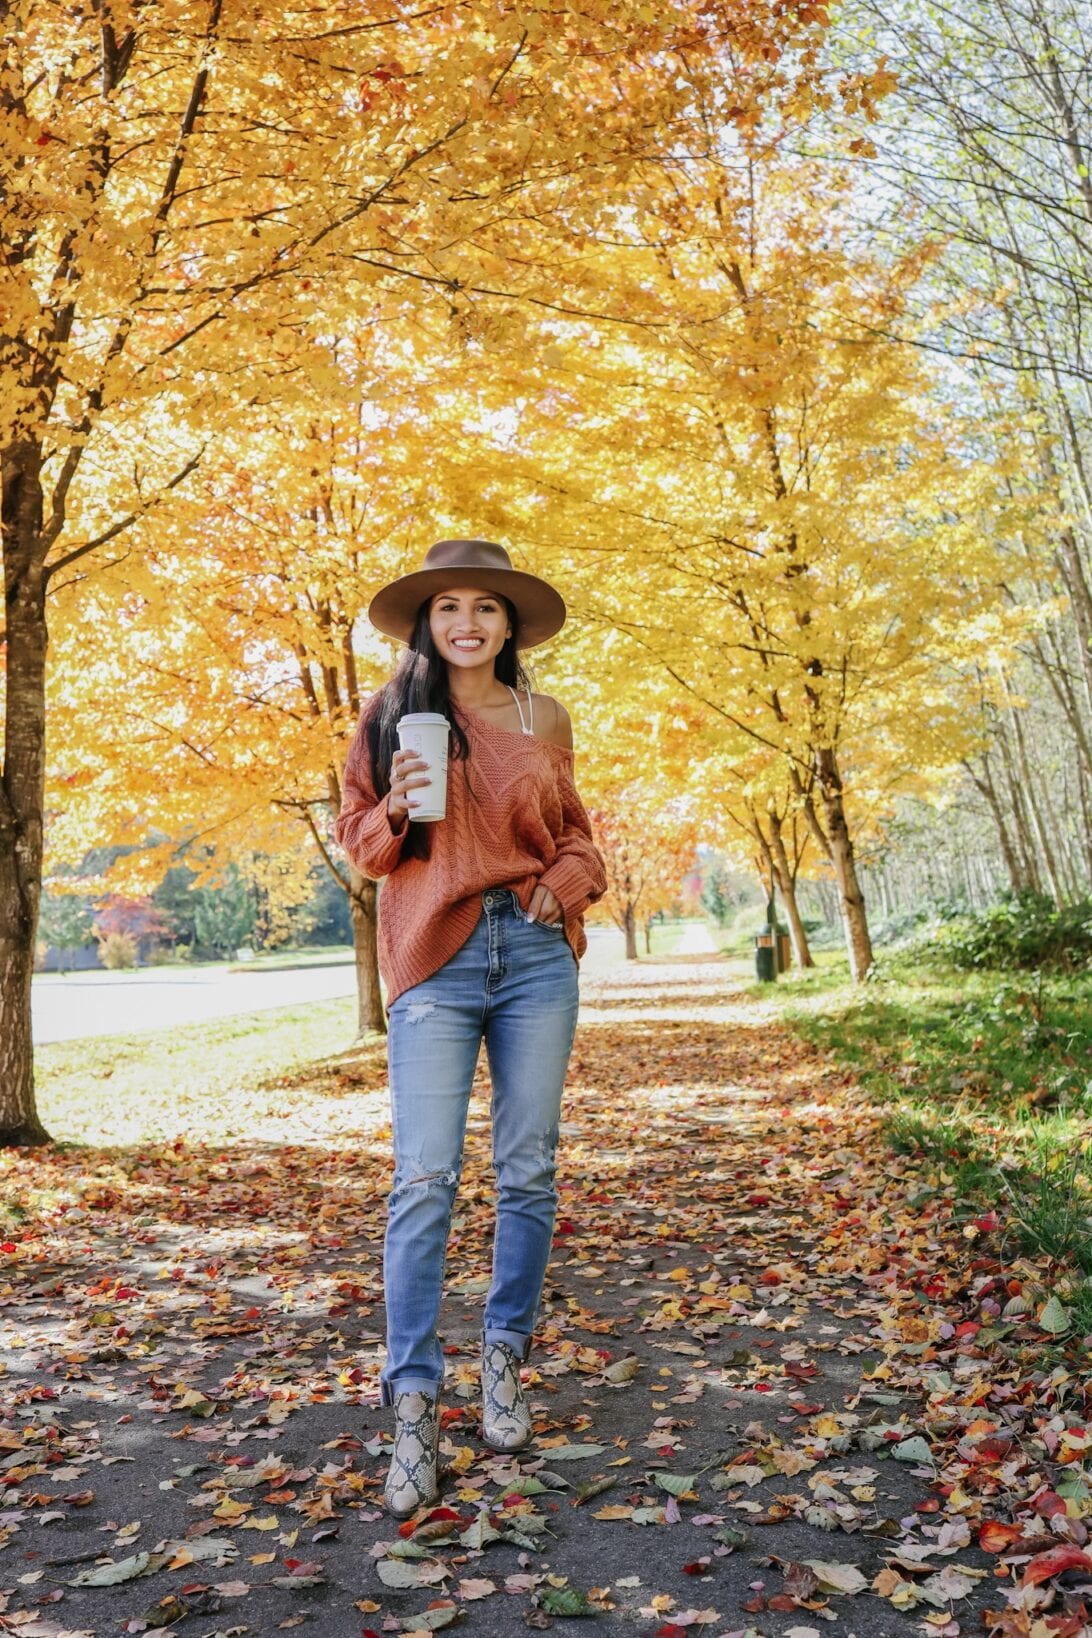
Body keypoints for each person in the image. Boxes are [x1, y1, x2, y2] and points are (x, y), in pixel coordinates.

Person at [333, 538, 607, 1518]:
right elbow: (360, 841)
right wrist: (398, 815)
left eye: (485, 607)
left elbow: (577, 833)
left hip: (534, 955)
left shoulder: (544, 715)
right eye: (448, 606)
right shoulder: (391, 714)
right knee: (424, 1176)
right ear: (426, 622)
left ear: (508, 623)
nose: (466, 622)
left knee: (528, 1165)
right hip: (434, 957)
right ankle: (413, 1400)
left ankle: (503, 1357)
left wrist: (567, 882)